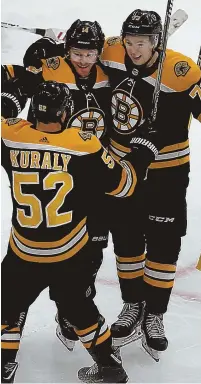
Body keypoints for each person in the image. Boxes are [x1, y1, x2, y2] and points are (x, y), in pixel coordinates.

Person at [1, 79, 163, 383]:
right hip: (69, 251)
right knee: (79, 307)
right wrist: (143, 149)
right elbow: (125, 185)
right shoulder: (82, 143)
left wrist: (9, 96)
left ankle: (4, 365)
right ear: (65, 114)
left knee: (6, 307)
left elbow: (6, 115)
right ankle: (109, 366)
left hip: (25, 251)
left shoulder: (10, 135)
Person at [3, 19, 112, 351]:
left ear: (99, 52)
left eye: (89, 53)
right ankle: (76, 311)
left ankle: (71, 310)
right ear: (67, 51)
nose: (82, 60)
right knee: (72, 252)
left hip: (94, 172)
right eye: (76, 53)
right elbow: (12, 76)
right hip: (72, 173)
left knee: (93, 251)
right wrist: (12, 94)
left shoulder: (113, 72)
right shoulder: (49, 69)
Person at [99, 9, 201, 360]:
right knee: (126, 241)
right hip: (124, 167)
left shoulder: (179, 70)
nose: (132, 49)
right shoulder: (111, 51)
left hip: (167, 172)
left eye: (140, 43)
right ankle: (132, 306)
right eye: (129, 42)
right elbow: (77, 58)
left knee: (163, 245)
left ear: (156, 42)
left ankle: (154, 313)